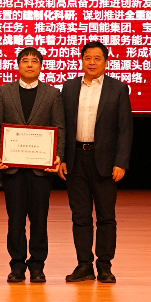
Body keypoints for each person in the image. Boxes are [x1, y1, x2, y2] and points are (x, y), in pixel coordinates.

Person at [58, 41, 133, 284]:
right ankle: (84, 265)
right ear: (82, 60)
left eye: (97, 58)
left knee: (106, 217)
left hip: (105, 161)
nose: (92, 62)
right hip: (76, 159)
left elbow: (125, 129)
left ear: (106, 62)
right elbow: (62, 126)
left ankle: (104, 266)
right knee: (80, 216)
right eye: (87, 58)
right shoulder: (69, 87)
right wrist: (61, 157)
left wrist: (121, 162)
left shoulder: (118, 88)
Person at [0, 47, 65, 283]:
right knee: (15, 219)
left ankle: (37, 266)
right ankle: (16, 266)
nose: (30, 65)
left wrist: (57, 155)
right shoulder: (4, 92)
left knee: (39, 219)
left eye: (35, 61)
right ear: (18, 65)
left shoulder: (52, 94)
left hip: (41, 168)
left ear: (41, 66)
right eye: (25, 61)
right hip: (12, 168)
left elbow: (59, 127)